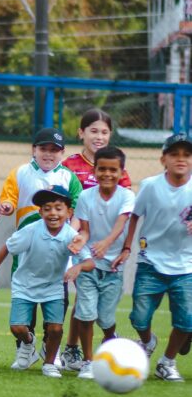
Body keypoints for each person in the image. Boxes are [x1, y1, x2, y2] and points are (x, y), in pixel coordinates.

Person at [0, 127, 83, 368]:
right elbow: (9, 198)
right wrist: (5, 205)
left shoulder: (69, 177)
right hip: (27, 248)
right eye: (43, 149)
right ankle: (24, 348)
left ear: (63, 153)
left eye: (54, 150)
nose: (48, 154)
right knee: (24, 298)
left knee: (58, 298)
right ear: (33, 150)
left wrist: (73, 235)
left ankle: (49, 347)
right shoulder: (21, 172)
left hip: (58, 250)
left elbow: (77, 206)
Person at [0, 186, 94, 378]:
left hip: (53, 286)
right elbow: (8, 247)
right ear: (40, 212)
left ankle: (49, 363)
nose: (53, 213)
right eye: (47, 208)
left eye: (58, 208)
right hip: (24, 285)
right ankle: (28, 343)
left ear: (69, 212)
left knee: (55, 328)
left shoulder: (71, 235)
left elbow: (89, 262)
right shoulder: (31, 230)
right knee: (17, 328)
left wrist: (77, 267)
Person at [112, 133, 192, 382]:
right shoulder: (150, 185)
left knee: (187, 321)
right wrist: (127, 247)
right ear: (163, 159)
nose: (181, 159)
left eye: (187, 155)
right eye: (174, 154)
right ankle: (148, 341)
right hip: (151, 262)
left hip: (186, 266)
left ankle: (167, 362)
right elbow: (135, 215)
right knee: (139, 317)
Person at [60, 109, 132, 371]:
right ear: (81, 133)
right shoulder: (69, 165)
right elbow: (67, 204)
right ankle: (72, 349)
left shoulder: (116, 168)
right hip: (77, 241)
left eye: (104, 131)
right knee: (82, 299)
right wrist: (74, 235)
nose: (99, 136)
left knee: (88, 304)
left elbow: (124, 210)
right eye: (93, 131)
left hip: (108, 250)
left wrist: (122, 244)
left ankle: (76, 348)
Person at [72, 146, 135, 379]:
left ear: (121, 172)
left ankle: (111, 341)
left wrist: (108, 243)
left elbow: (121, 222)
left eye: (113, 170)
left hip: (114, 268)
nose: (107, 174)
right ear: (95, 170)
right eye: (102, 169)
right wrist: (80, 241)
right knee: (86, 313)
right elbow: (86, 230)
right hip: (89, 264)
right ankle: (88, 361)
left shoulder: (127, 196)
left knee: (105, 318)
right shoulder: (86, 196)